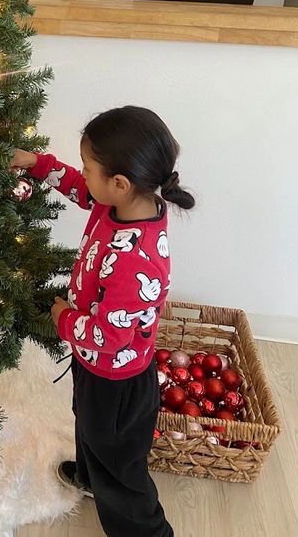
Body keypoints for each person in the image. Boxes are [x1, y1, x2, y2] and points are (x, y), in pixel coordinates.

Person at [11, 106, 195, 537]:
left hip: (116, 377)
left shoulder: (135, 261)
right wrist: (35, 163)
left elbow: (109, 336)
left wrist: (63, 318)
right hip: (95, 365)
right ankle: (91, 477)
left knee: (119, 462)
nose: (83, 174)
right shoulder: (124, 203)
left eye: (88, 167)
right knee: (88, 425)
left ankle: (146, 529)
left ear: (120, 183)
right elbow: (80, 189)